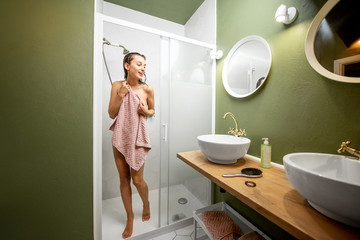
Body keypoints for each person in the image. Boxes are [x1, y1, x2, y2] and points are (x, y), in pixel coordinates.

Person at [108, 52, 155, 239]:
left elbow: (152, 110)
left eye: (145, 65)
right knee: (124, 179)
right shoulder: (117, 86)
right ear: (127, 66)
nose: (143, 68)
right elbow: (112, 113)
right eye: (139, 64)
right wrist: (120, 96)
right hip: (121, 136)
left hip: (137, 137)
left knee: (138, 180)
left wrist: (146, 111)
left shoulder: (148, 89)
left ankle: (146, 204)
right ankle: (130, 217)